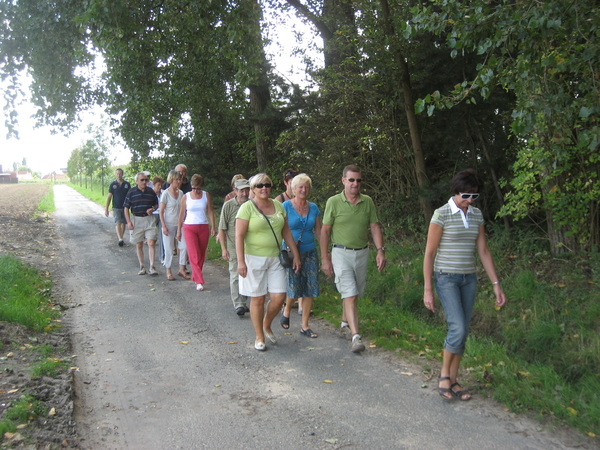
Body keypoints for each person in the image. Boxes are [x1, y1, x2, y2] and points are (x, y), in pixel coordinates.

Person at [423, 169, 506, 401]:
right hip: (446, 278)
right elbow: (429, 254)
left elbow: (484, 251)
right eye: (466, 196)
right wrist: (428, 289)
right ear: (455, 192)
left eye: (474, 196)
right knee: (457, 327)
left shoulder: (476, 215)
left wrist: (496, 284)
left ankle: (455, 379)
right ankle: (443, 376)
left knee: (463, 330)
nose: (470, 201)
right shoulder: (441, 215)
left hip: (468, 279)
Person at [320, 164, 386, 353]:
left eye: (358, 180)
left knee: (354, 293)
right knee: (350, 293)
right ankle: (356, 336)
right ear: (343, 181)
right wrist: (325, 258)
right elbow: (325, 231)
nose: (355, 184)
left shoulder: (368, 202)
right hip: (341, 252)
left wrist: (380, 251)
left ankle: (344, 322)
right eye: (351, 180)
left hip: (362, 253)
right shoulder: (333, 202)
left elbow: (374, 227)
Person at [236, 173, 300, 351]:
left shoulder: (278, 206)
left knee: (279, 297)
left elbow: (286, 232)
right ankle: (259, 336)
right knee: (257, 298)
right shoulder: (246, 208)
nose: (264, 188)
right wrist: (240, 261)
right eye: (259, 185)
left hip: (275, 258)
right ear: (253, 189)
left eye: (267, 184)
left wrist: (295, 254)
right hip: (253, 258)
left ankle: (266, 323)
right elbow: (239, 235)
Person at [280, 174, 321, 338]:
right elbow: (281, 229)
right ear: (293, 189)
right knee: (294, 287)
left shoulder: (314, 207)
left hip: (310, 251)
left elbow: (318, 231)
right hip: (291, 252)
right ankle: (287, 308)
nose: (304, 190)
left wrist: (325, 251)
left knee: (310, 287)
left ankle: (305, 326)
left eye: (306, 187)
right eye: (300, 187)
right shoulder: (285, 206)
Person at [218, 178, 251, 316]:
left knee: (248, 275)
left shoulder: (251, 205)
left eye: (246, 190)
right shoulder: (228, 206)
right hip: (233, 246)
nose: (244, 193)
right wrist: (223, 248)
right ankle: (238, 304)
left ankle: (243, 302)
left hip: (250, 247)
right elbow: (222, 228)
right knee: (235, 275)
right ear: (235, 191)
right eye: (241, 190)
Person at [177, 174, 216, 291]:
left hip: (203, 226)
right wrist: (179, 230)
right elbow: (181, 214)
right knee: (193, 254)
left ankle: (195, 275)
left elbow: (210, 211)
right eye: (194, 188)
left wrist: (213, 226)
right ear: (191, 186)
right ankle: (199, 281)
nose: (196, 191)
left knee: (201, 254)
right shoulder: (186, 197)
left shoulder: (206, 195)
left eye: (198, 188)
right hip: (189, 227)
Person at [124, 172, 160, 275]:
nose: (145, 182)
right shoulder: (131, 192)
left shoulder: (151, 192)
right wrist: (129, 222)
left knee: (151, 242)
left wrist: (152, 209)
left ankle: (152, 266)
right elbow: (126, 207)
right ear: (137, 181)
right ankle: (142, 266)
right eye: (142, 180)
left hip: (149, 219)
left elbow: (156, 205)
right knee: (139, 243)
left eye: (146, 180)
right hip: (136, 219)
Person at [159, 170, 189, 281]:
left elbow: (183, 210)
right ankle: (168, 270)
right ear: (171, 180)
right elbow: (161, 211)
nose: (179, 181)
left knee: (184, 246)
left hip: (180, 224)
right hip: (168, 223)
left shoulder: (181, 193)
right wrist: (163, 226)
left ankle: (182, 269)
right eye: (176, 179)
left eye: (179, 179)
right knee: (169, 248)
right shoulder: (165, 194)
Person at [104, 168, 131, 247]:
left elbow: (130, 195)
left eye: (120, 173)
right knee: (118, 222)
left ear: (122, 174)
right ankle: (120, 239)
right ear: (115, 174)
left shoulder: (127, 184)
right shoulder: (113, 185)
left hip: (125, 207)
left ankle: (121, 238)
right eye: (117, 173)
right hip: (116, 206)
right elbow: (109, 197)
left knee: (123, 223)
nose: (119, 175)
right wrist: (106, 209)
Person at [152, 176, 165, 263]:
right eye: (158, 185)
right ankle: (151, 256)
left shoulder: (164, 193)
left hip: (161, 215)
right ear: (154, 185)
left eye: (161, 185)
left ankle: (162, 257)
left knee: (162, 235)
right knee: (152, 236)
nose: (160, 187)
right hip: (152, 215)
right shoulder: (150, 193)